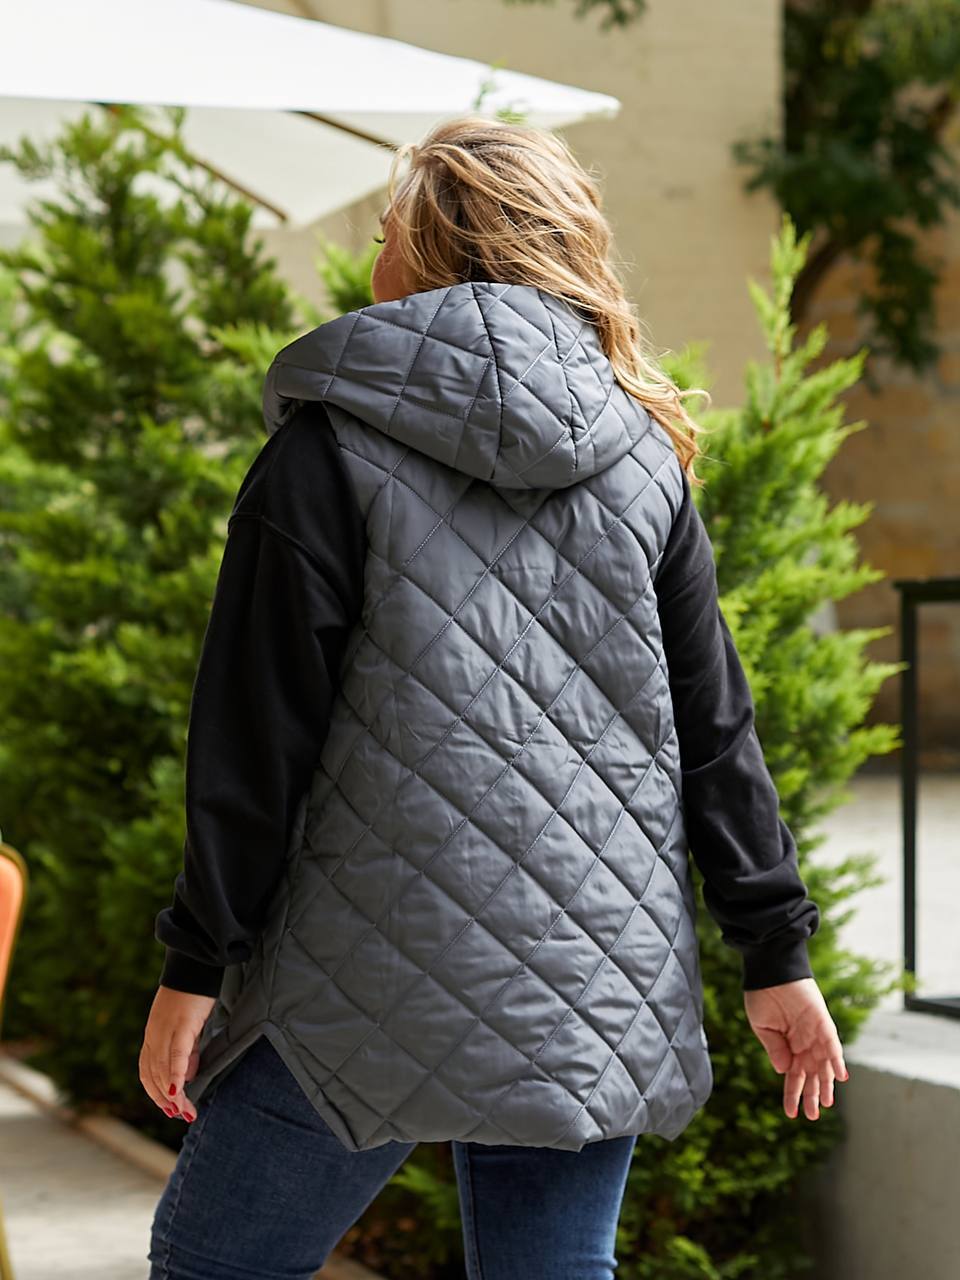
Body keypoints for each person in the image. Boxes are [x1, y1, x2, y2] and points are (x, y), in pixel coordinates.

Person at [140, 115, 848, 1280]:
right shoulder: (642, 456)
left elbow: (253, 742)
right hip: (593, 968)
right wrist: (775, 949)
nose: (373, 259)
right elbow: (714, 729)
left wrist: (195, 965)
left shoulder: (326, 449)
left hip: (360, 976)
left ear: (430, 251)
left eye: (386, 233)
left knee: (216, 1261)